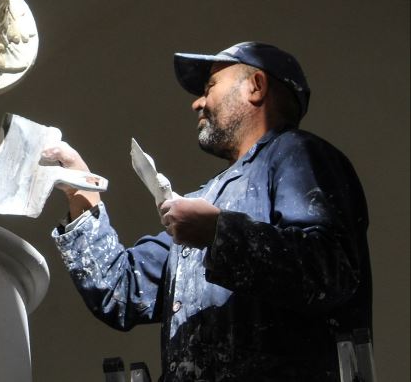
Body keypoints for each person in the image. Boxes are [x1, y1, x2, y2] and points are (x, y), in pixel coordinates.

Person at [44, 42, 372, 381]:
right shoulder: (208, 199)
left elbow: (328, 270)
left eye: (210, 87)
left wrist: (218, 233)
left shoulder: (299, 154)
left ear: (255, 86)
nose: (197, 102)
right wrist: (82, 192)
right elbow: (122, 292)